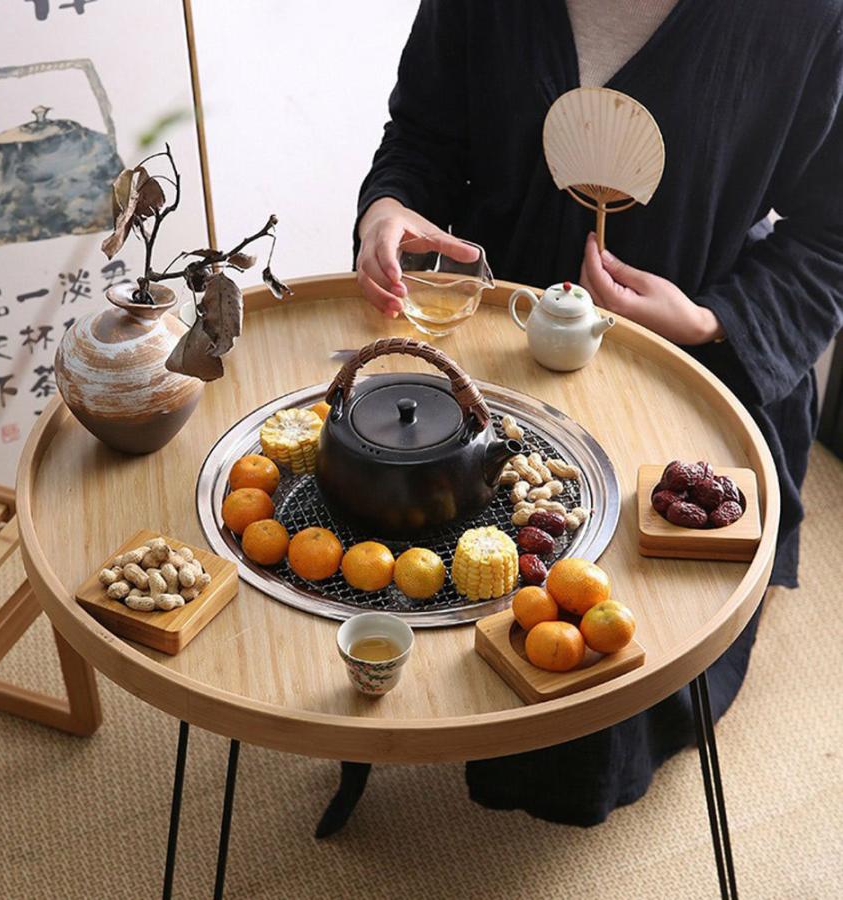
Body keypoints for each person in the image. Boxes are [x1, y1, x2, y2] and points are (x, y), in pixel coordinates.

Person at [353, 0, 843, 825]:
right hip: (492, 345)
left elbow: (830, 238)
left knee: (600, 643)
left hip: (688, 361)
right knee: (406, 552)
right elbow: (423, 137)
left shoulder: (804, 16)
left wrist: (705, 321)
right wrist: (389, 206)